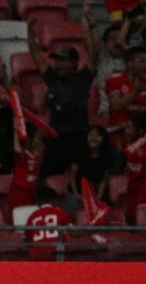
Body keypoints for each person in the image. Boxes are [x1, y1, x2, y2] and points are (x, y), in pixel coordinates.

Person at [26, 12, 96, 176]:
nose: (58, 64)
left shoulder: (83, 78)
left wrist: (92, 28)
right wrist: (30, 32)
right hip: (56, 138)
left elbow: (94, 54)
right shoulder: (52, 78)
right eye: (57, 60)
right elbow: (36, 55)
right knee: (48, 176)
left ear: (74, 63)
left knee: (83, 178)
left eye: (62, 60)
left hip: (79, 137)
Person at [106, 46, 146, 140]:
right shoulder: (115, 80)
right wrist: (135, 92)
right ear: (130, 63)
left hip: (142, 137)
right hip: (120, 135)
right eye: (142, 61)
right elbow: (116, 106)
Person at [121, 115, 146, 222]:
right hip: (132, 184)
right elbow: (129, 151)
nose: (126, 131)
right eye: (125, 128)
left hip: (145, 185)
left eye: (129, 128)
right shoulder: (126, 142)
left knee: (143, 217)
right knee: (130, 216)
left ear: (139, 131)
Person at [25, 187, 72, 261]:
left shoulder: (32, 216)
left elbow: (28, 239)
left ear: (37, 202)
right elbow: (72, 232)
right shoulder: (60, 212)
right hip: (57, 251)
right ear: (56, 201)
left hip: (38, 253)